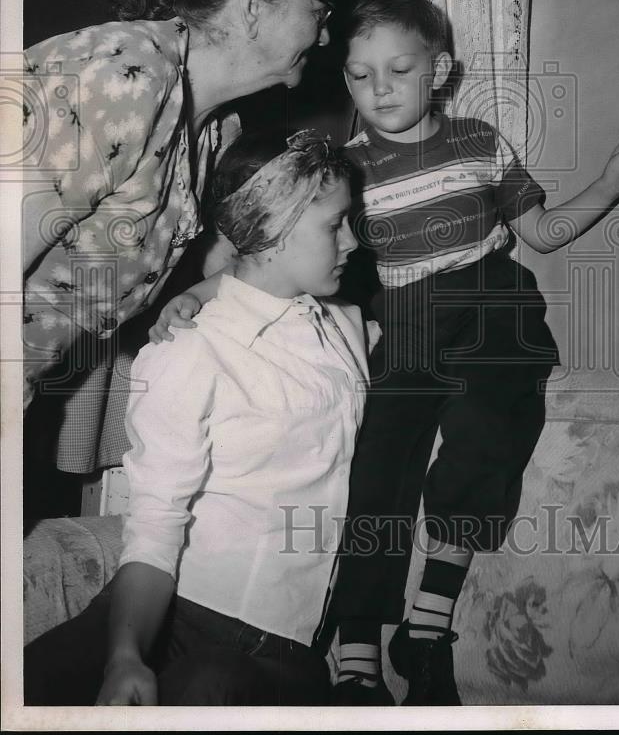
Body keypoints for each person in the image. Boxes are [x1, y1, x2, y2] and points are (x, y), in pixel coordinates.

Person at [151, 0, 619, 707]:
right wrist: (204, 291)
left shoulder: (479, 140)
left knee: (490, 425)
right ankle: (357, 654)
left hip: (493, 303)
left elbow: (540, 232)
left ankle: (429, 625)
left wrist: (607, 188)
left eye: (399, 69)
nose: (379, 89)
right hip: (407, 315)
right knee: (378, 456)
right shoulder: (342, 168)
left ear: (439, 70)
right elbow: (261, 245)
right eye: (360, 74)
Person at [24, 130, 369, 706]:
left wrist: (202, 290)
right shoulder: (188, 351)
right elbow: (156, 524)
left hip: (272, 649)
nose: (354, 241)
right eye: (335, 225)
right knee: (32, 682)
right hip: (172, 607)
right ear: (273, 231)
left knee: (204, 688)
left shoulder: (347, 328)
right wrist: (126, 654)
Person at [22, 0, 334, 476]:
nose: (324, 35)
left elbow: (236, 270)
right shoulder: (127, 75)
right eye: (319, 8)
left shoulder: (214, 130)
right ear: (253, 5)